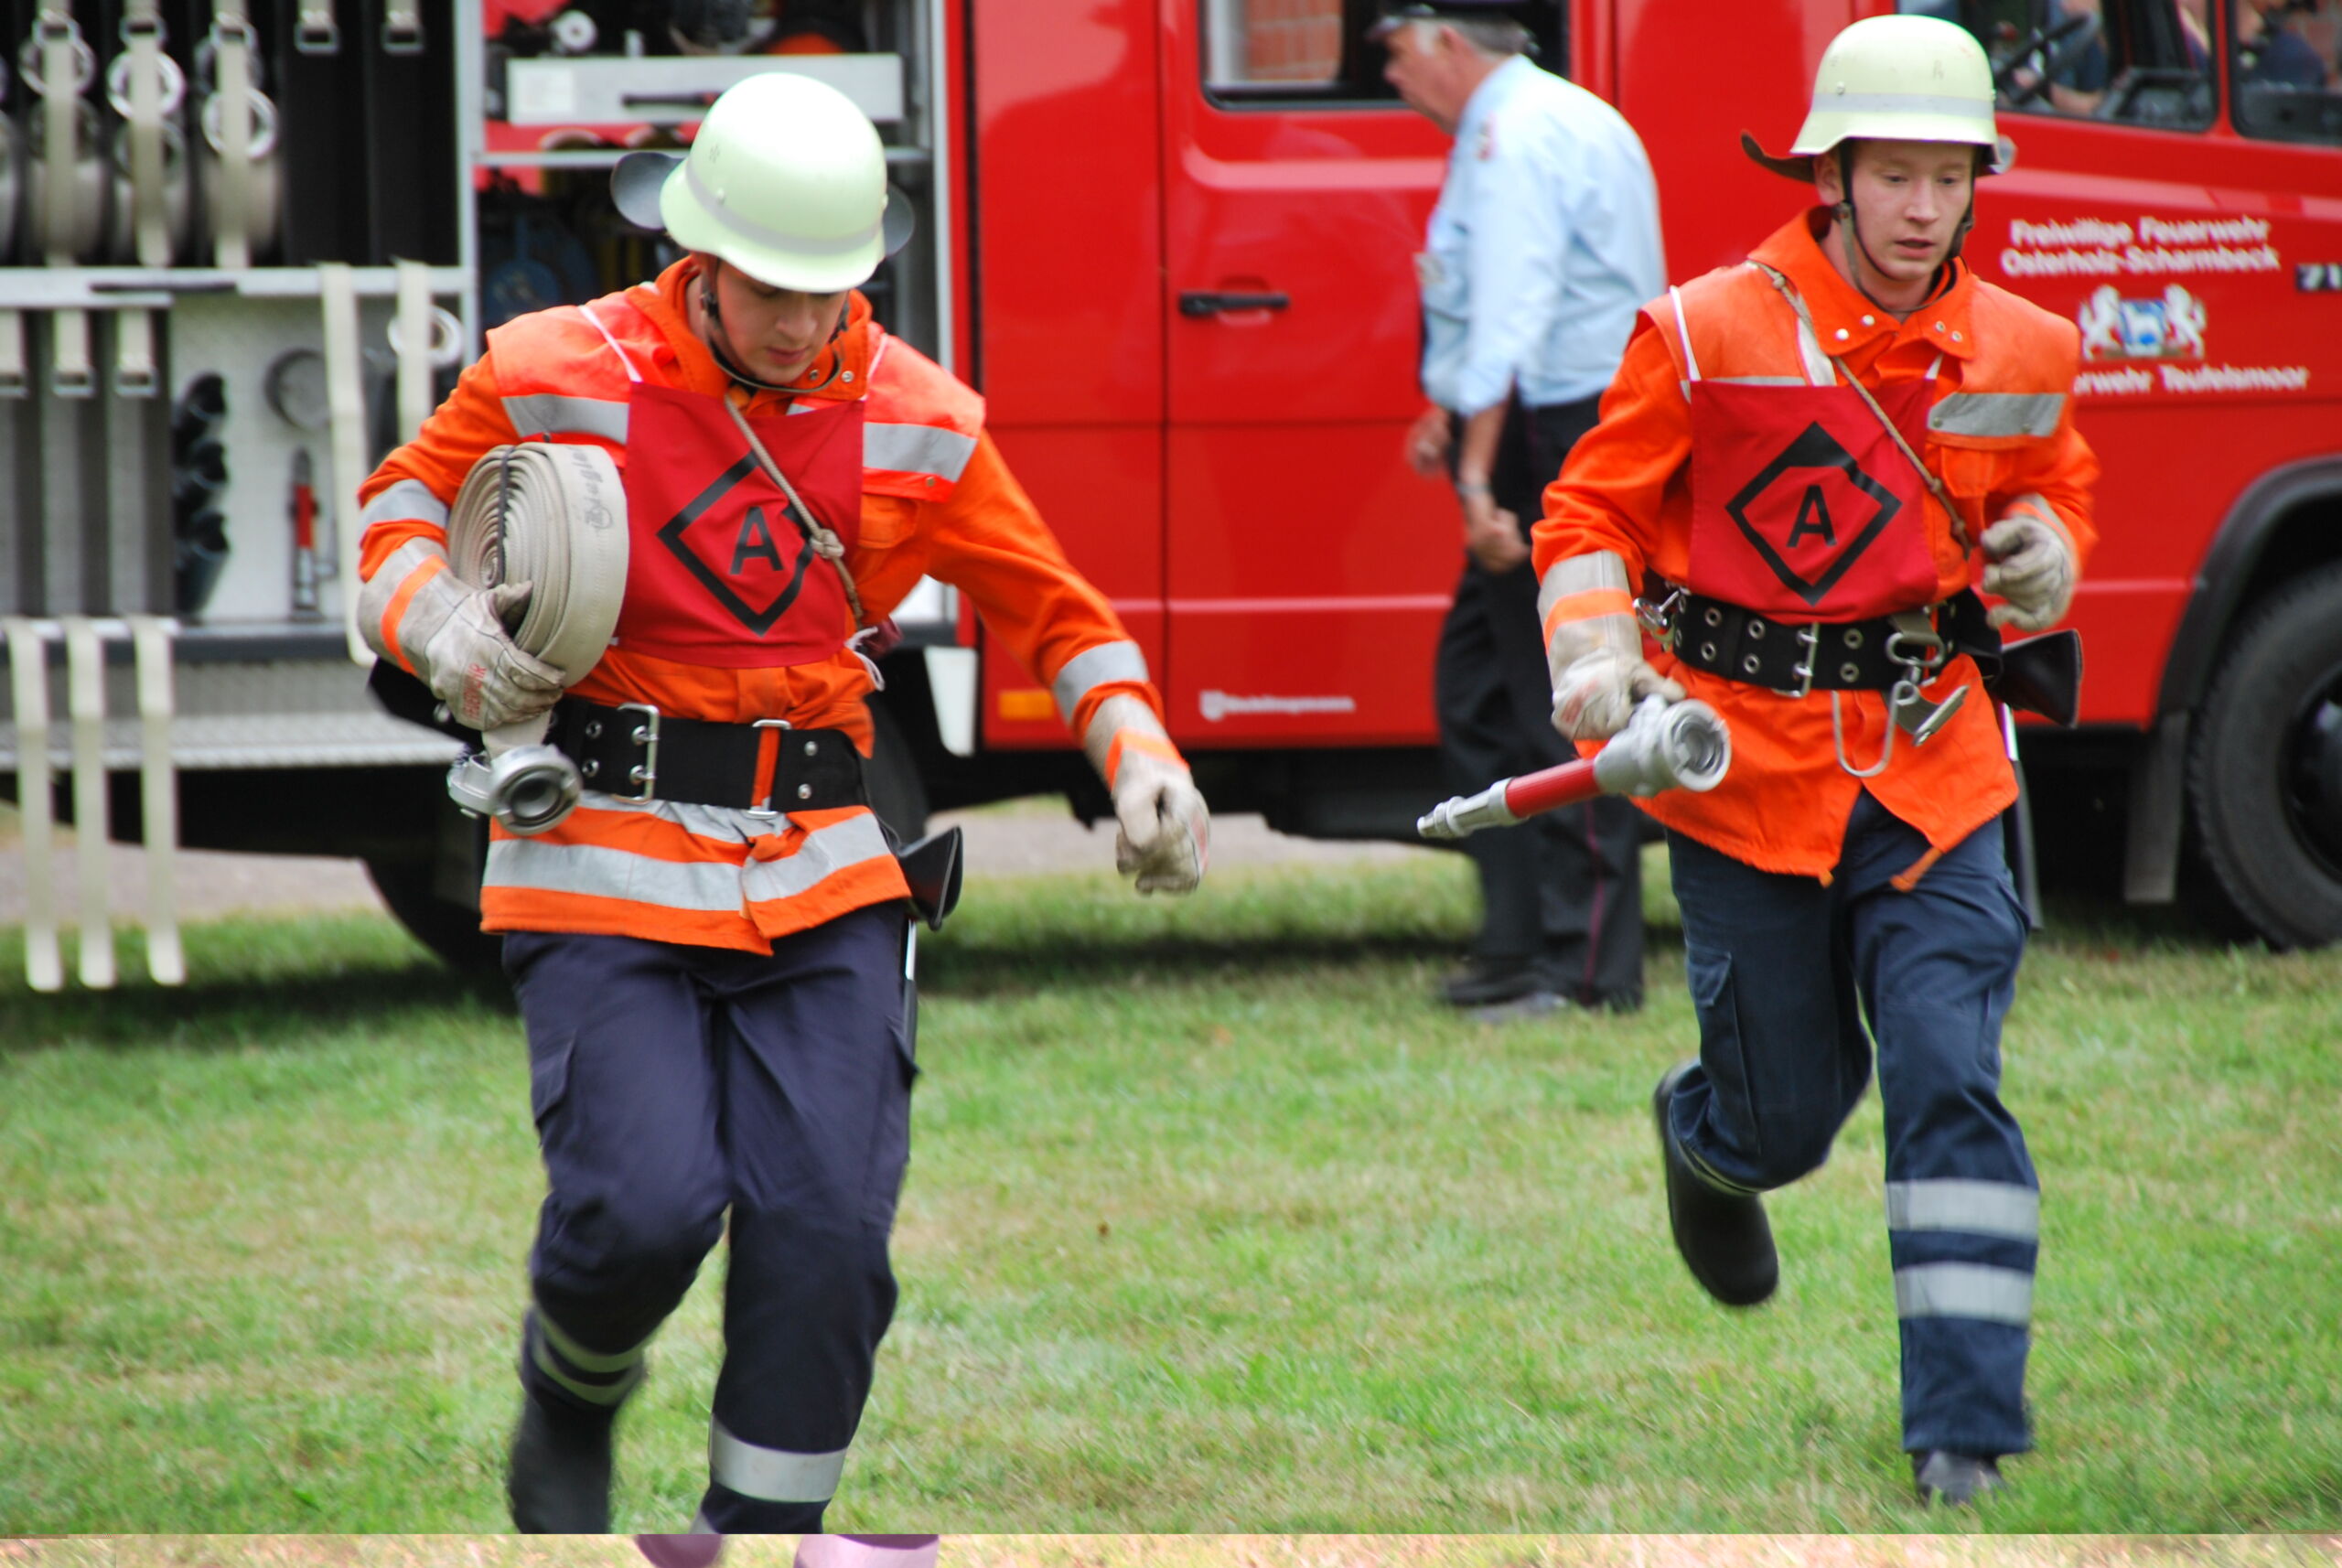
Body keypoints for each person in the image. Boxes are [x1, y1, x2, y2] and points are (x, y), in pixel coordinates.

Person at [353, 73, 1210, 1531]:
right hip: (599, 846)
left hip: (821, 863)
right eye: (769, 290)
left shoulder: (921, 418)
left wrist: (1140, 755)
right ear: (697, 253)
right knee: (642, 1208)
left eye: (829, 291)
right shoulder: (556, 365)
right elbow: (395, 513)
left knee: (826, 1232)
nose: (801, 323)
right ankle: (574, 1383)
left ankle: (761, 1541)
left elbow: (1058, 611)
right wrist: (439, 627)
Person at [1531, 15, 2096, 1506]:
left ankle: (1964, 1433)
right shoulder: (1703, 330)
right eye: (1893, 175)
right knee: (1783, 1117)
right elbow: (1587, 516)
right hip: (1742, 774)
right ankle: (1711, 1142)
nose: (1922, 207)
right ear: (1830, 176)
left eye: (1949, 178)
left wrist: (2049, 552)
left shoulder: (2026, 347)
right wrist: (1594, 657)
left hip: (1936, 769)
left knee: (1948, 1075)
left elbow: (2048, 491)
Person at [1378, 0, 1664, 1015]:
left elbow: (1511, 318)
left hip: (1551, 432)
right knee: (1478, 688)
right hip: (1561, 419)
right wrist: (1447, 405)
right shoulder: (1550, 115)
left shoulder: (1511, 135)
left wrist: (1472, 476)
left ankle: (1586, 969)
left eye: (1397, 52)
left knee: (1564, 696)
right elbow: (1495, 303)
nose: (1390, 75)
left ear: (1450, 43)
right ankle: (1517, 936)